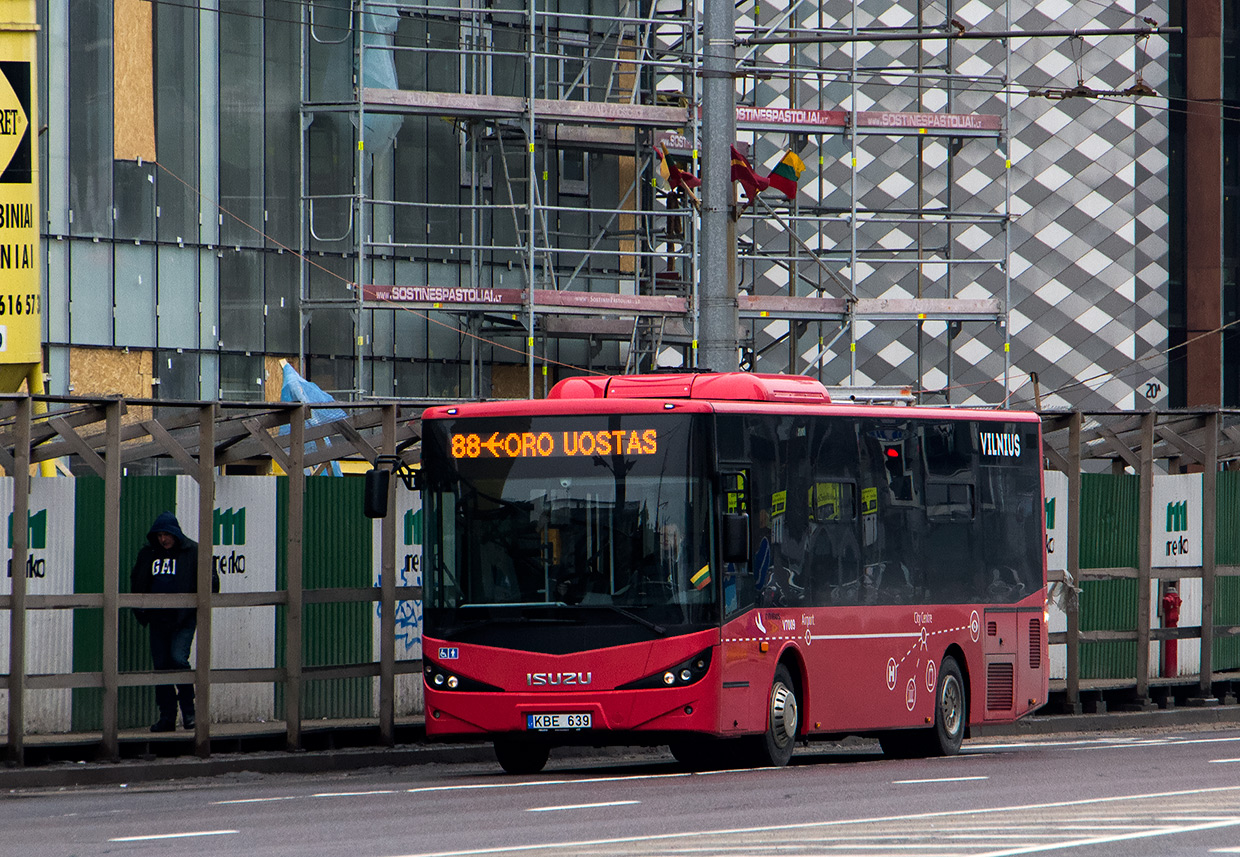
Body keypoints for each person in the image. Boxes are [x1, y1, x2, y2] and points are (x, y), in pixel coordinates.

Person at [130, 512, 218, 732]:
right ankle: (167, 717)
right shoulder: (148, 554)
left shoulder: (193, 552)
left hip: (183, 618)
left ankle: (189, 713)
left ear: (175, 533)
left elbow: (212, 582)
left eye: (166, 534)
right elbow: (137, 580)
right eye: (159, 535)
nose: (163, 539)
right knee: (161, 667)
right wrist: (142, 610)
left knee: (178, 659)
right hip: (158, 620)